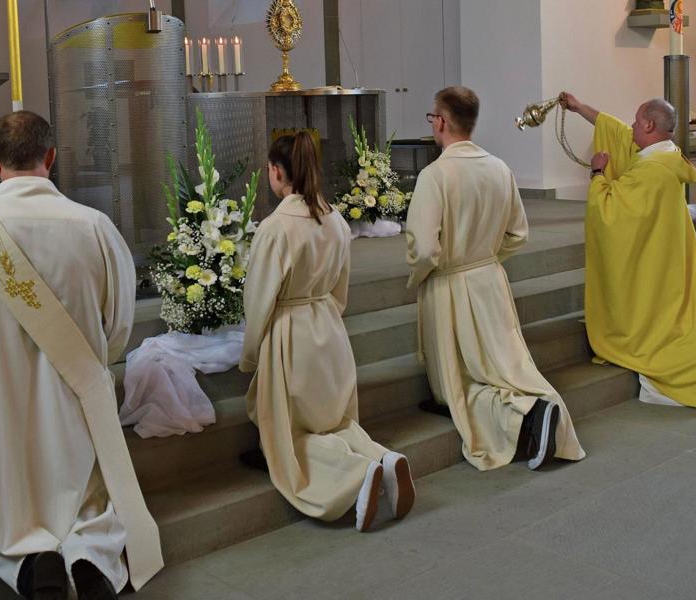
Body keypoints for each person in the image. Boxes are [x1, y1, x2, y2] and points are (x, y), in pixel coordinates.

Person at [0, 111, 162, 600]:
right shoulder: (94, 227)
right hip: (73, 401)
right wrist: (87, 358)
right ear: (51, 157)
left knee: (10, 503)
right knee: (87, 499)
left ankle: (33, 563)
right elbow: (119, 323)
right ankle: (90, 558)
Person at [239, 131, 415, 532]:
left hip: (290, 333)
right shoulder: (335, 220)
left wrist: (251, 353)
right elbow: (341, 288)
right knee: (334, 424)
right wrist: (325, 316)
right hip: (329, 330)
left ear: (277, 171)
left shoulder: (276, 226)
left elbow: (260, 298)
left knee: (289, 436)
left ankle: (355, 476)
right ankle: (382, 459)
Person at [405, 86, 585, 471]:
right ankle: (534, 404)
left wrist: (423, 275)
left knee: (459, 383)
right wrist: (485, 259)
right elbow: (518, 234)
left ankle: (524, 414)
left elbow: (424, 249)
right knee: (504, 366)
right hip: (490, 280)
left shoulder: (434, 175)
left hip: (451, 286)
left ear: (440, 121)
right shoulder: (499, 168)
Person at [561, 91, 696, 409]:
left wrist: (598, 173)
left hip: (653, 264)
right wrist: (578, 108)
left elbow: (610, 211)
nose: (629, 127)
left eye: (635, 121)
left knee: (654, 320)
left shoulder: (650, 170)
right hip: (666, 255)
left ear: (648, 124)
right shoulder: (666, 154)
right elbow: (614, 130)